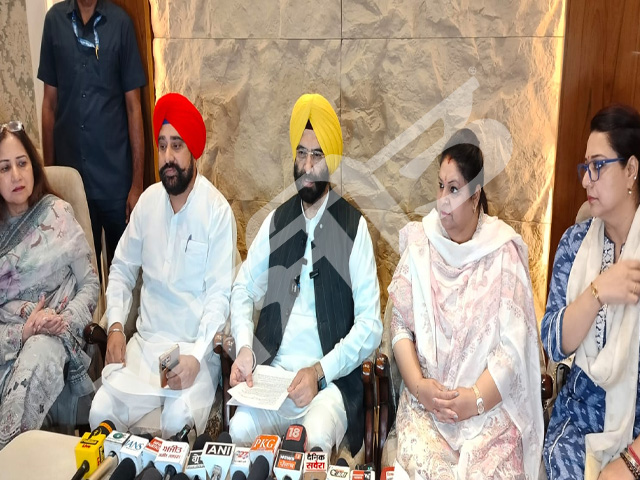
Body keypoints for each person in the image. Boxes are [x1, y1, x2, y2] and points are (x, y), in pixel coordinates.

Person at [229, 93, 382, 455]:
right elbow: (243, 288)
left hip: (328, 386)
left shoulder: (354, 228)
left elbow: (371, 326)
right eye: (301, 153)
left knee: (311, 442)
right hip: (273, 380)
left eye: (317, 155)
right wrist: (246, 347)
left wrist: (319, 371)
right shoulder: (277, 221)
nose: (308, 166)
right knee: (239, 430)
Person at [388, 129, 543, 479]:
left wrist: (473, 400)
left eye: (454, 189)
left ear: (475, 197)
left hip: (488, 414)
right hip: (427, 411)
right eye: (440, 186)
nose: (443, 199)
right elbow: (399, 326)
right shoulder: (421, 243)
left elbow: (513, 350)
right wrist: (419, 388)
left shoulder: (502, 253)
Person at [89, 93, 236, 437]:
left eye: (177, 146)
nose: (168, 157)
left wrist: (197, 357)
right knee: (100, 411)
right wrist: (115, 326)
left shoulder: (216, 212)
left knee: (176, 422)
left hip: (193, 352)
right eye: (162, 145)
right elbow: (121, 269)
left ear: (193, 151)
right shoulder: (147, 203)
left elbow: (220, 297)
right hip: (144, 349)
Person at [542, 105, 640, 480]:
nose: (586, 180)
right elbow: (553, 342)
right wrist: (598, 291)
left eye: (598, 166)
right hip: (578, 418)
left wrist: (631, 462)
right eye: (586, 167)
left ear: (631, 170)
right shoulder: (575, 243)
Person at [0, 121, 99, 449]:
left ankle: (11, 457)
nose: (16, 175)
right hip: (10, 339)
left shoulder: (58, 214)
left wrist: (61, 322)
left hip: (57, 335)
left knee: (38, 355)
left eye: (22, 163)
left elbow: (90, 283)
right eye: (4, 168)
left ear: (33, 165)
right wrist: (24, 330)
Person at [38, 0, 147, 269]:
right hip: (72, 182)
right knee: (79, 273)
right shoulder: (54, 22)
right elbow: (49, 105)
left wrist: (136, 185)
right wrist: (49, 179)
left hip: (116, 181)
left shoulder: (120, 24)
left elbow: (134, 108)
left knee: (125, 269)